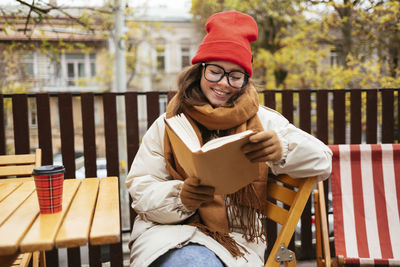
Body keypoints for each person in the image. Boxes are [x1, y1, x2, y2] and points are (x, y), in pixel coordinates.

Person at [126, 10, 332, 267]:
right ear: (201, 69)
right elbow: (141, 186)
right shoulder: (170, 122)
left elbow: (323, 160)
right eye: (215, 71)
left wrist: (283, 149)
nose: (223, 83)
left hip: (234, 242)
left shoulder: (263, 120)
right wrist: (180, 197)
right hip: (165, 233)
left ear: (246, 80)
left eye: (235, 76)